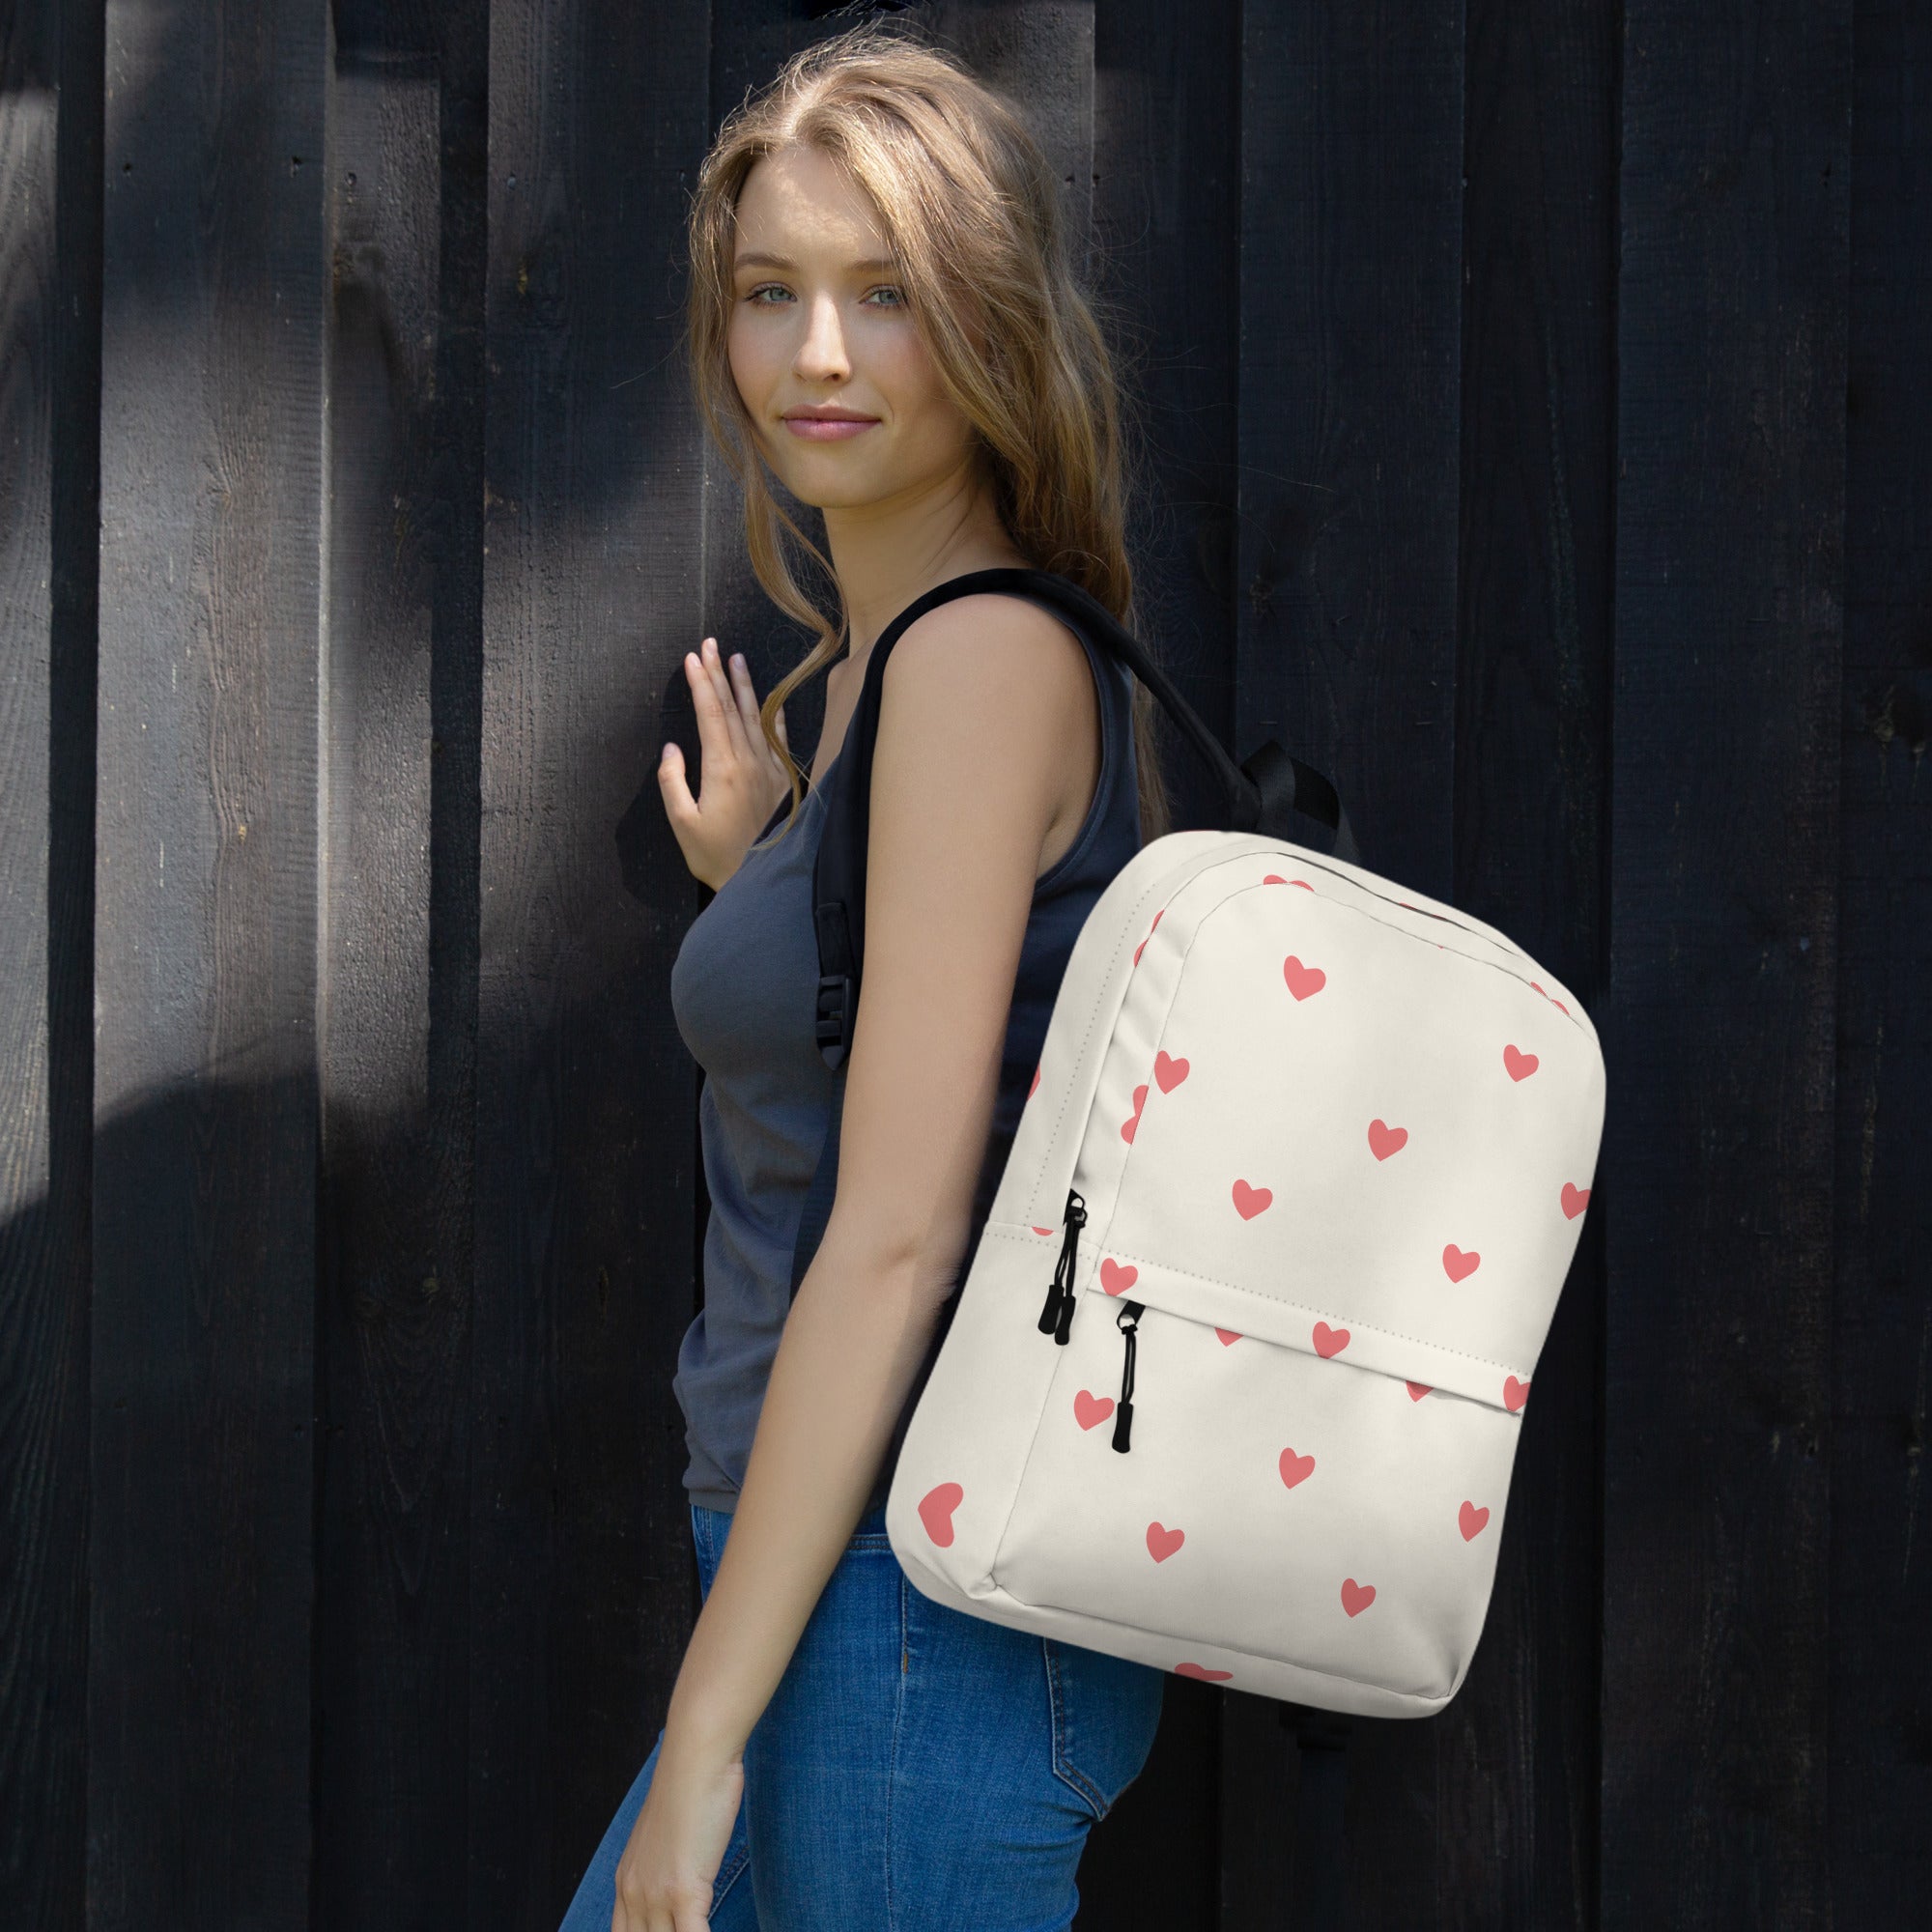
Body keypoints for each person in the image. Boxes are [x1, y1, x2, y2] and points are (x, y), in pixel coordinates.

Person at [558, 26, 1174, 1932]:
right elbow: (898, 1078)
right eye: (770, 294)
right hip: (833, 1577)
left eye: (883, 296)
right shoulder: (878, 671)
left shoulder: (977, 665)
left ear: (987, 326)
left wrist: (708, 1730)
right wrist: (770, 886)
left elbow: (901, 1232)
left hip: (910, 1607)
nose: (814, 354)